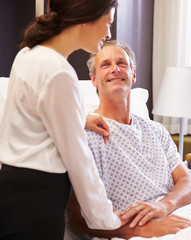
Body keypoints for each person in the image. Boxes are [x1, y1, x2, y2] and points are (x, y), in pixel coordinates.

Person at [0, 1, 124, 239]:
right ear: (87, 18)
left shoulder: (28, 54)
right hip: (38, 200)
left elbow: (31, 116)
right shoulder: (59, 72)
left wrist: (79, 118)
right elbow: (78, 160)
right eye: (107, 23)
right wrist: (108, 219)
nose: (109, 34)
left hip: (11, 189)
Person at [66, 40, 191, 239]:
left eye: (122, 63)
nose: (115, 69)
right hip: (133, 230)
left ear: (133, 75)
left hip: (180, 217)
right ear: (93, 79)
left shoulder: (156, 130)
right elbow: (78, 218)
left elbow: (188, 182)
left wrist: (164, 205)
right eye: (105, 65)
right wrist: (141, 230)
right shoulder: (88, 135)